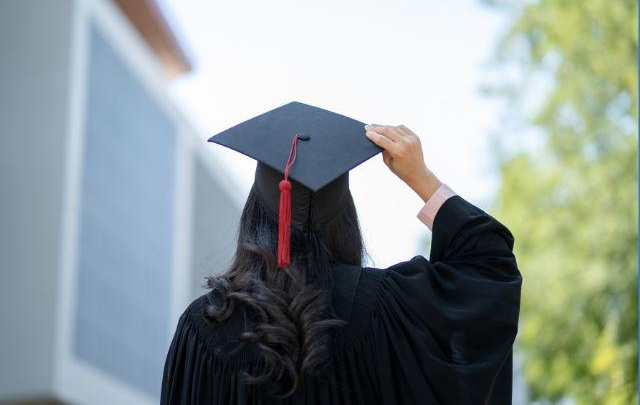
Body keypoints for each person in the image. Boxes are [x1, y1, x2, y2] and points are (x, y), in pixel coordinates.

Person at [160, 102, 522, 404]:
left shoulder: (203, 327)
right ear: (344, 217)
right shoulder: (391, 308)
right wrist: (422, 179)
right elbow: (489, 267)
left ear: (256, 214)